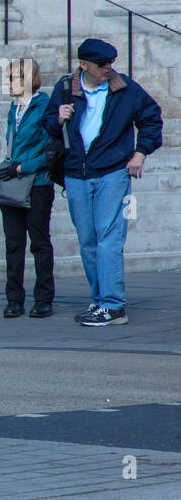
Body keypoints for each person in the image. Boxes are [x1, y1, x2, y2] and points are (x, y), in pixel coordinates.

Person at [43, 37, 163, 326]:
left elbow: (152, 118)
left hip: (112, 172)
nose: (108, 68)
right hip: (76, 174)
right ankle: (100, 301)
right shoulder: (64, 89)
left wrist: (141, 152)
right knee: (88, 241)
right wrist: (58, 118)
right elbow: (46, 126)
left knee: (109, 239)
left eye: (111, 62)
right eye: (101, 64)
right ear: (83, 65)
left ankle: (113, 304)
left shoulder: (125, 88)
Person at [0, 58, 54, 319]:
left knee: (39, 243)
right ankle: (14, 298)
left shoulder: (44, 106)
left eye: (13, 78)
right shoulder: (14, 108)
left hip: (38, 183)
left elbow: (50, 152)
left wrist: (21, 167)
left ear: (28, 80)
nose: (8, 83)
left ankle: (43, 298)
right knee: (13, 243)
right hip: (13, 184)